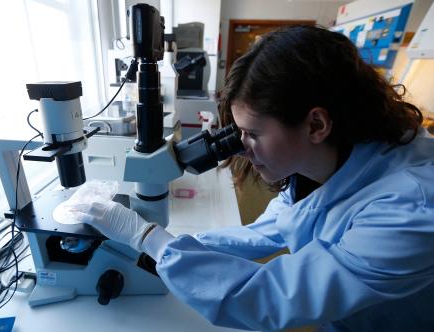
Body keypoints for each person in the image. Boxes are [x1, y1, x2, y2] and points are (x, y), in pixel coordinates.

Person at [75, 25, 434, 331]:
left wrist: (146, 236)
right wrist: (180, 242)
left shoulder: (408, 208)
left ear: (316, 125)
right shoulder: (331, 162)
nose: (241, 148)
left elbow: (271, 297)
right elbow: (268, 230)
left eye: (252, 134)